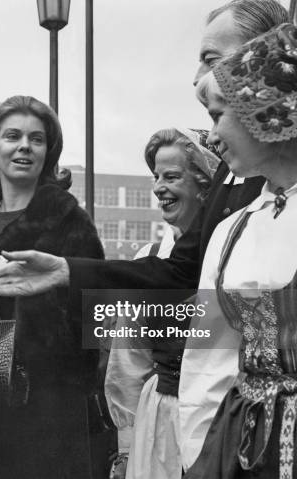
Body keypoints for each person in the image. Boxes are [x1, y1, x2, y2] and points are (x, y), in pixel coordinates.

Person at [0, 0, 288, 301]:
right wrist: (66, 271)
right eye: (12, 136)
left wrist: (147, 331)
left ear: (267, 57)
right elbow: (182, 273)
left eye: (211, 59)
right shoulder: (231, 179)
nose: (196, 79)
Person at [183, 23, 297, 478]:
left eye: (217, 115)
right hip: (241, 442)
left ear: (265, 108)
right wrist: (197, 457)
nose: (209, 137)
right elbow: (208, 360)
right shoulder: (232, 228)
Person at [0, 95, 104, 479]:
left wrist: (16, 284)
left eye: (36, 139)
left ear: (48, 153)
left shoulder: (69, 220)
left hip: (48, 403)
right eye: (12, 136)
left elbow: (95, 313)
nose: (24, 147)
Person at [105, 128, 217, 479]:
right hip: (160, 419)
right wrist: (125, 447)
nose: (158, 187)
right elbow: (129, 357)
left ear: (203, 184)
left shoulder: (232, 253)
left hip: (219, 417)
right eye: (156, 177)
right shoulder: (148, 257)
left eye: (171, 176)